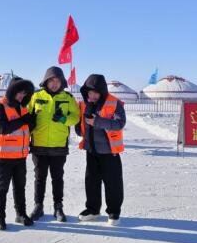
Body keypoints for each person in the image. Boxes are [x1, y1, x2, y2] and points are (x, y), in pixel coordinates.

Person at [27, 66, 80, 222]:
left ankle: (58, 207)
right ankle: (38, 206)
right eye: (51, 80)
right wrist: (30, 122)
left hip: (59, 146)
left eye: (57, 80)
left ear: (62, 82)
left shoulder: (68, 98)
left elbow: (76, 117)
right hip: (39, 144)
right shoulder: (36, 96)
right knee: (40, 178)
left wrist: (63, 119)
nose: (54, 83)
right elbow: (26, 114)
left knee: (57, 178)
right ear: (46, 81)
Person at [75, 74, 126, 226]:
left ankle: (114, 212)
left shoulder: (114, 103)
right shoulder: (84, 104)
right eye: (89, 92)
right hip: (91, 150)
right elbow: (80, 124)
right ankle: (93, 209)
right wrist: (79, 127)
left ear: (102, 92)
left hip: (109, 152)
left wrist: (98, 121)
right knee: (91, 182)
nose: (92, 96)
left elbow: (120, 123)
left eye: (95, 93)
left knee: (113, 183)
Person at [0, 77, 36, 231]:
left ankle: (20, 214)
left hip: (20, 156)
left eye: (24, 93)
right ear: (12, 91)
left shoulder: (23, 108)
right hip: (3, 157)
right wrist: (23, 120)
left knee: (20, 187)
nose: (22, 96)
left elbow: (24, 129)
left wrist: (32, 121)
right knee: (2, 188)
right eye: (19, 92)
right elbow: (2, 128)